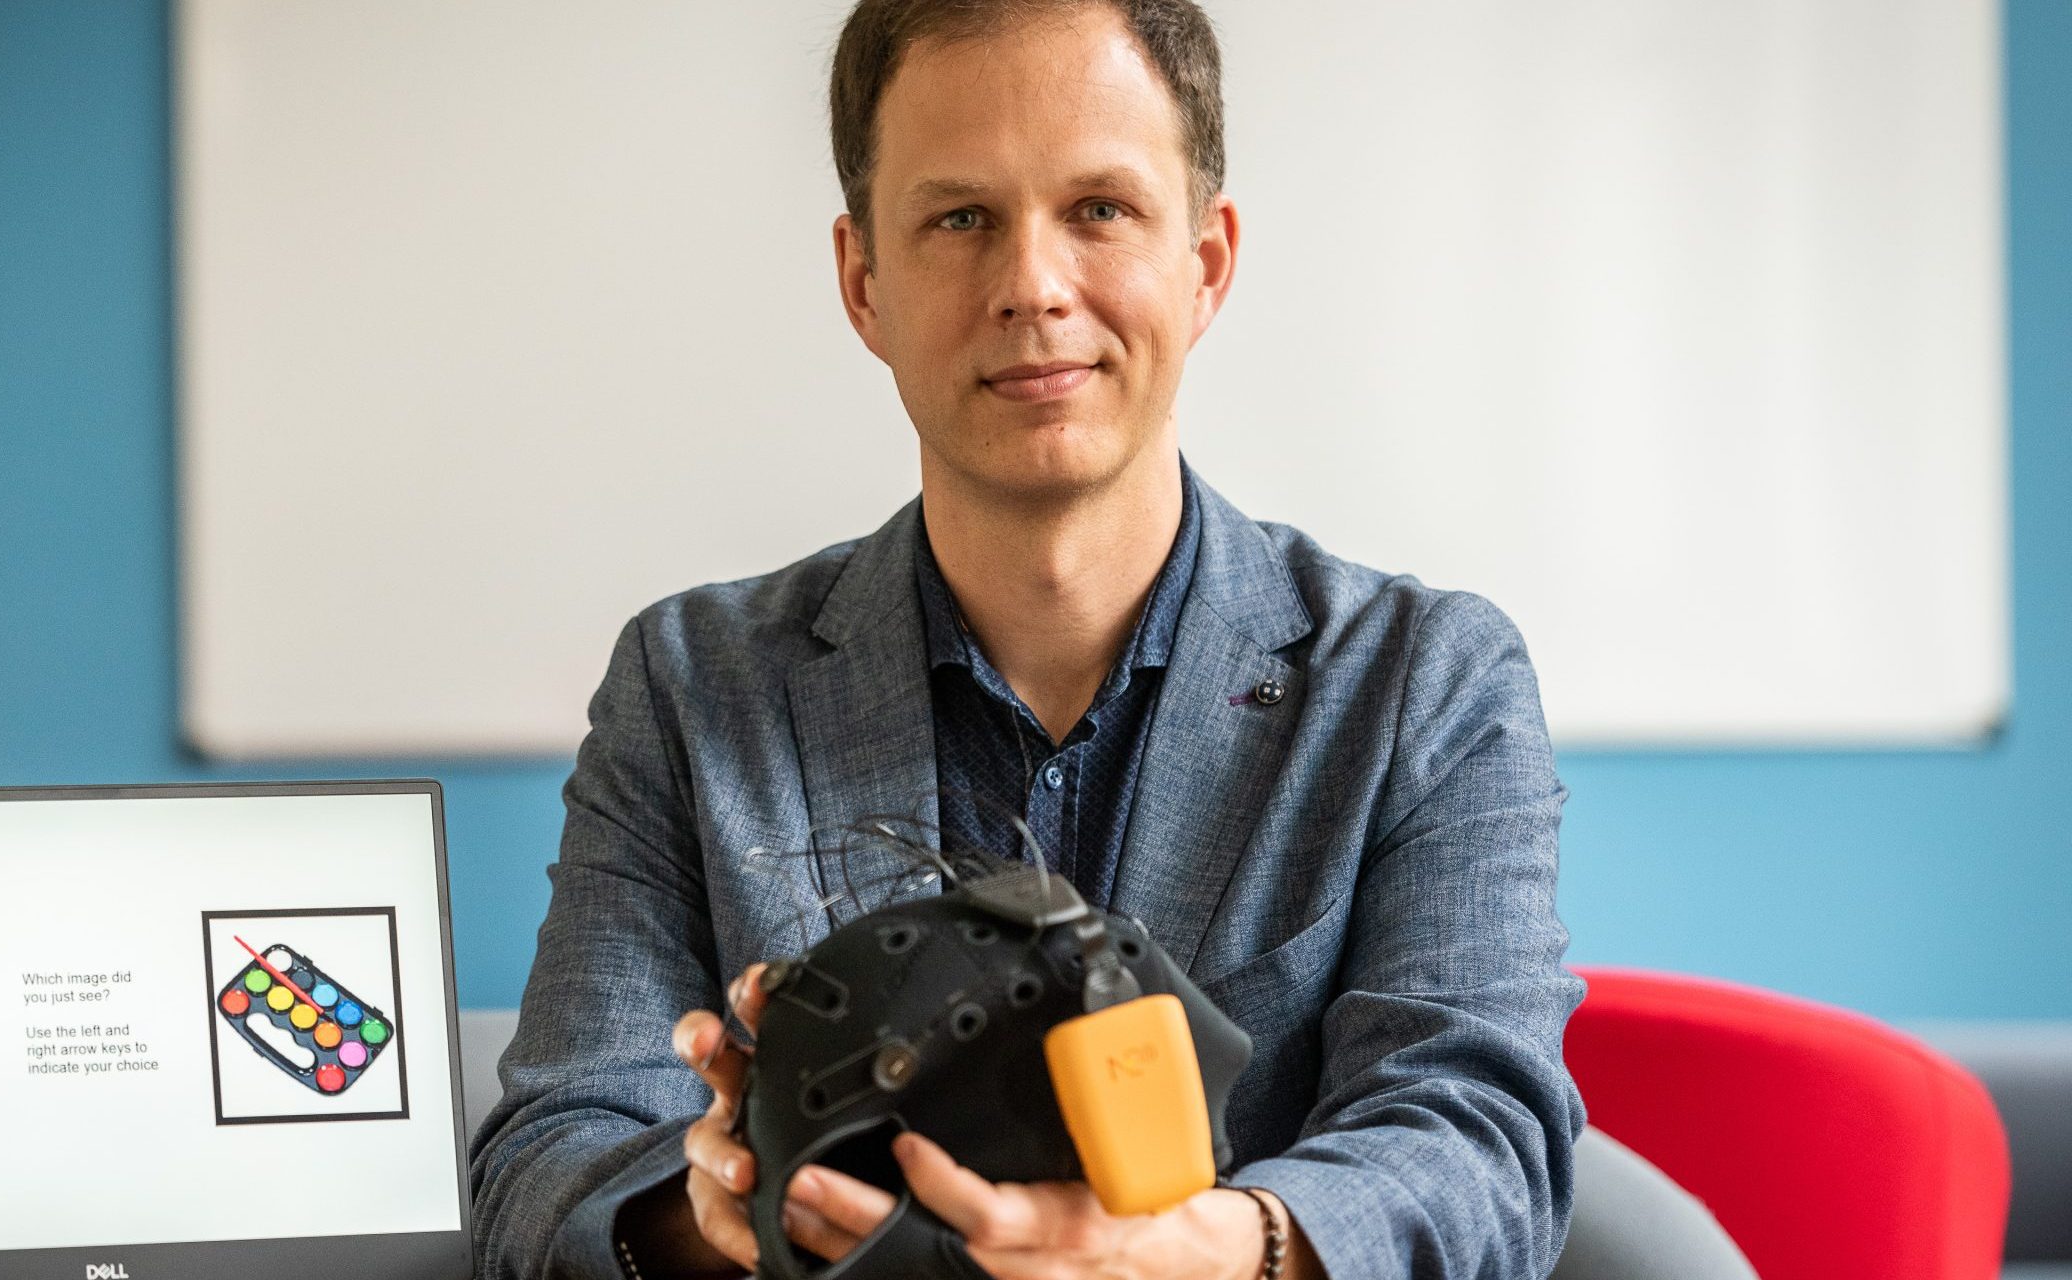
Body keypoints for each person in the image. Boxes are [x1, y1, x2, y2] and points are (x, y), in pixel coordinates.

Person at [467, 1, 1606, 1278]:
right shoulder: (690, 687)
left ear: (1206, 261)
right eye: (959, 219)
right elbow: (546, 1159)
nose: (1032, 288)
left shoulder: (1422, 682)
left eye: (1101, 210)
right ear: (864, 283)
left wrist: (1213, 1248)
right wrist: (716, 1202)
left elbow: (1480, 1140)